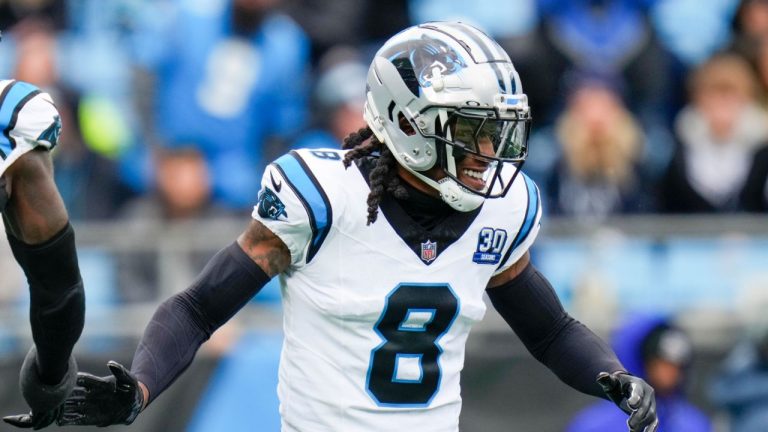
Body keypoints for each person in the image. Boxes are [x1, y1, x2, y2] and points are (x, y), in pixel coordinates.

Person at [42, 22, 656, 432]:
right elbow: (199, 309)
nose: (488, 151)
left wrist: (615, 378)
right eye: (471, 130)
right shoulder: (323, 197)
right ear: (408, 123)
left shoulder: (502, 209)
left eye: (496, 131)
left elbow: (550, 331)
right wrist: (142, 385)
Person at [0, 78, 86, 429]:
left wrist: (49, 380)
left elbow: (58, 288)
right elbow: (59, 293)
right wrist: (48, 379)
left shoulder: (12, 119)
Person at [566, 315, 712, 432]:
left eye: (677, 365)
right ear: (641, 361)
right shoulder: (594, 426)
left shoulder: (695, 425)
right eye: (661, 363)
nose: (671, 373)